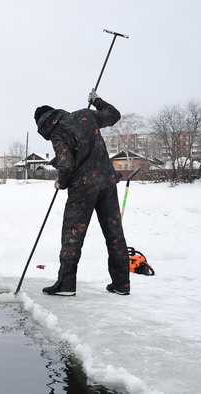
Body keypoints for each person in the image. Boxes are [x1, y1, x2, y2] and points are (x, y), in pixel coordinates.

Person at [34, 90, 130, 296]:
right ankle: (122, 283)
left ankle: (66, 284)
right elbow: (114, 114)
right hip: (107, 182)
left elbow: (66, 164)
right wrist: (98, 101)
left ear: (43, 124)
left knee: (72, 235)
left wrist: (61, 182)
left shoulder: (58, 132)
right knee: (114, 234)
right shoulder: (85, 115)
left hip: (83, 189)